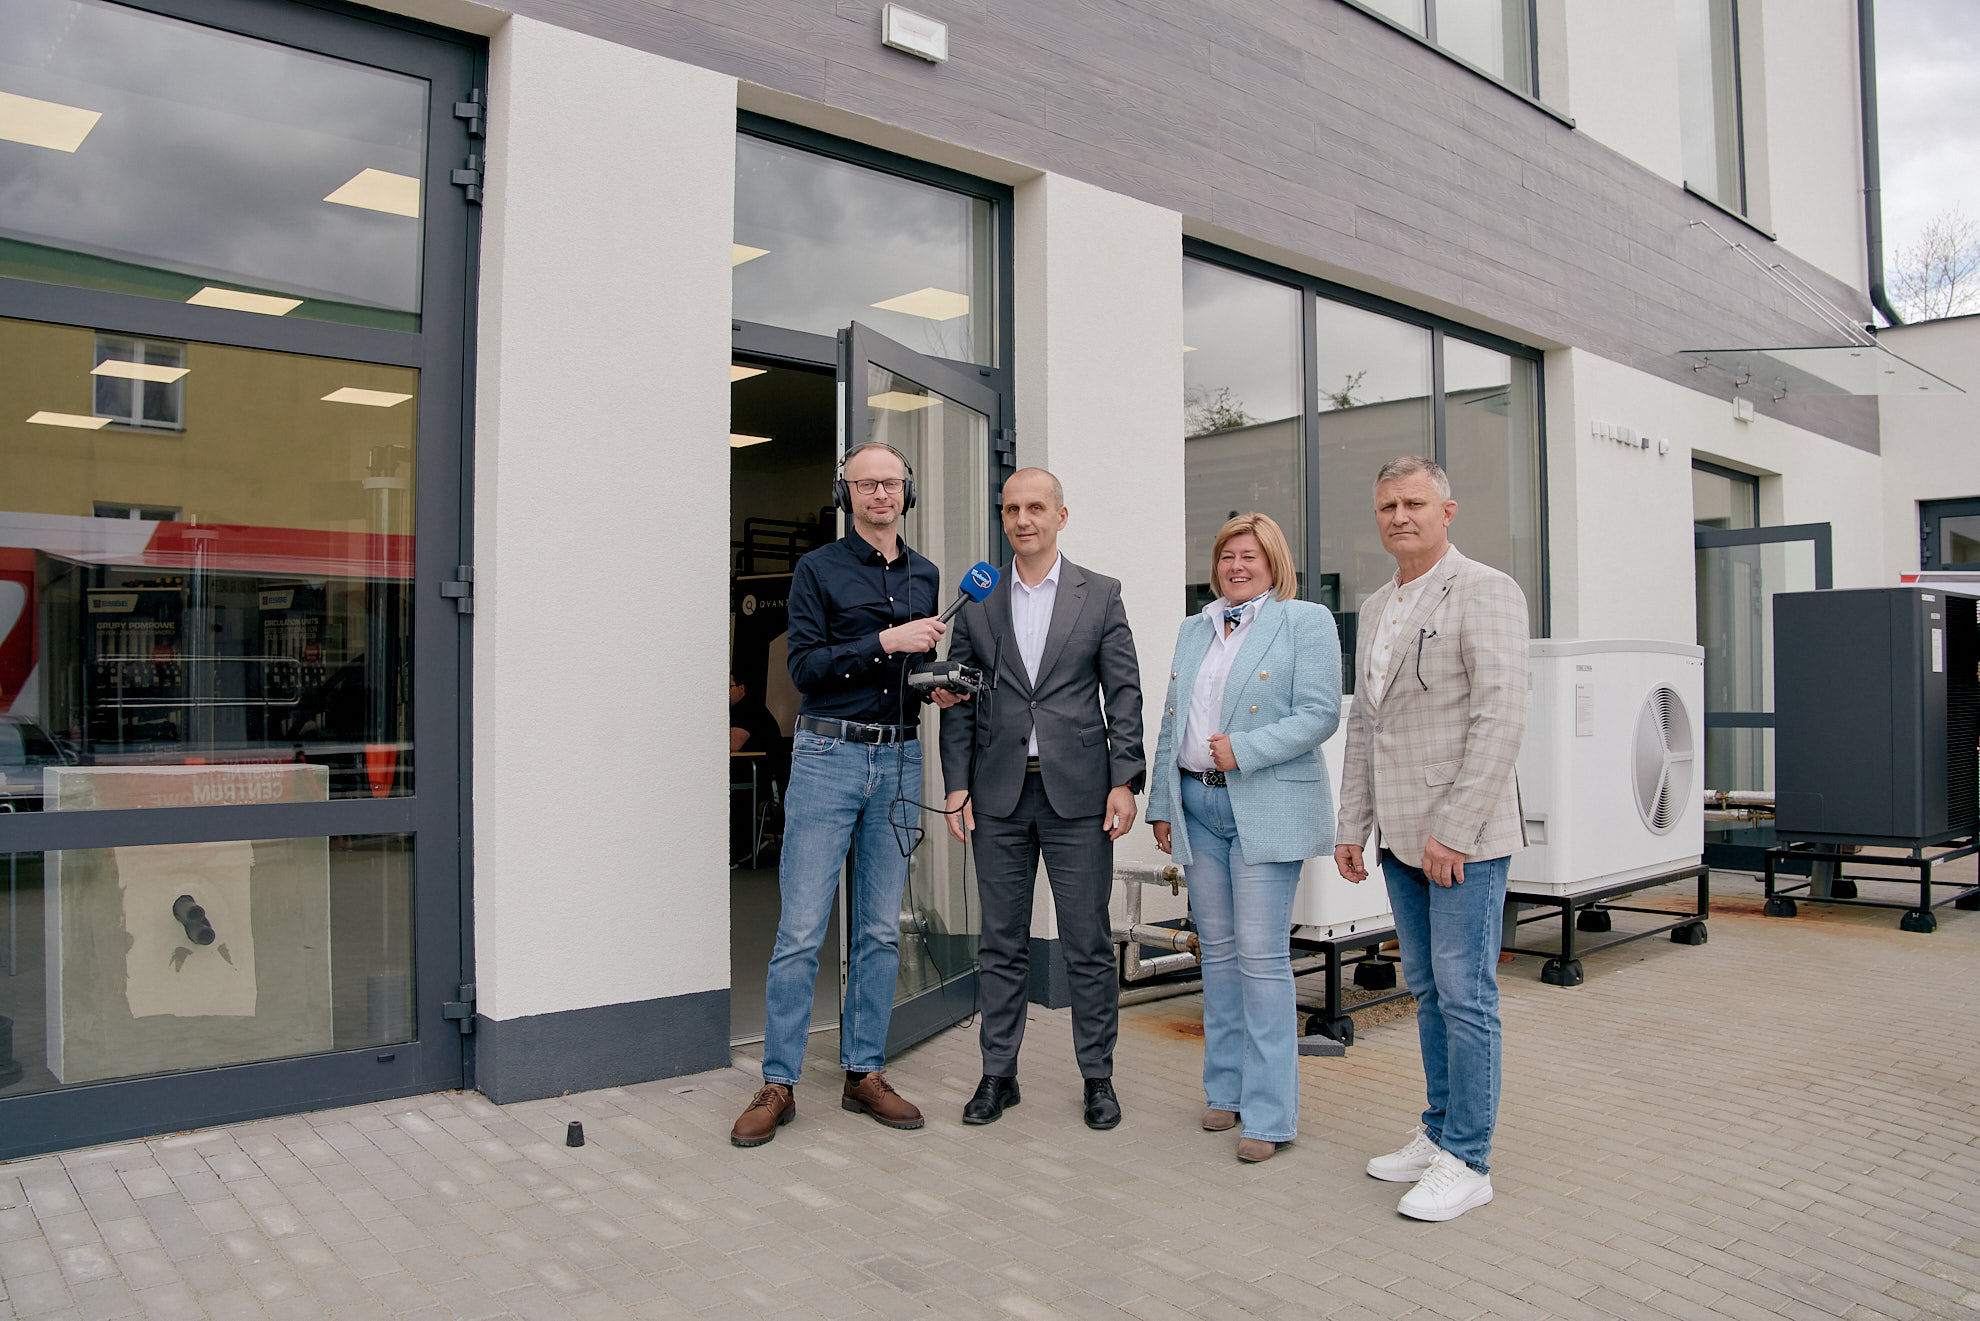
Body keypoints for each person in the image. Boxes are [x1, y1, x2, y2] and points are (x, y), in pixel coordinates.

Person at [730, 441, 964, 1148]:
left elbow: (912, 668)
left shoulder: (926, 573)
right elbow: (805, 669)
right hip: (828, 755)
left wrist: (935, 683)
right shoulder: (817, 569)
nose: (880, 494)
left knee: (879, 929)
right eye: (866, 485)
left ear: (906, 491)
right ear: (847, 494)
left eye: (890, 483)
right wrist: (886, 641)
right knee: (802, 929)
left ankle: (864, 1072)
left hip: (898, 757)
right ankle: (778, 1081)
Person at [1334, 455, 1529, 1221]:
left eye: (1414, 503)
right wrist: (1352, 824)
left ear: (1447, 512)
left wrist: (1455, 830)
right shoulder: (1378, 604)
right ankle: (1440, 1128)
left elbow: (1500, 716)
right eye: (1388, 505)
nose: (1399, 516)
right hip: (1399, 839)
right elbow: (1366, 723)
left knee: (1466, 994)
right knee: (1426, 989)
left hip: (1462, 841)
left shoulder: (1486, 589)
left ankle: (1470, 1159)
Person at [938, 468, 1145, 1130]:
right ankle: (998, 1074)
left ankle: (1098, 1077)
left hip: (1078, 796)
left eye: (1035, 507)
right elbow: (959, 702)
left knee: (1086, 941)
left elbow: (1124, 693)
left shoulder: (1100, 594)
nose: (1022, 519)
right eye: (1011, 509)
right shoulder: (978, 599)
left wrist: (1124, 778)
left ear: (1061, 515)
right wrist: (957, 784)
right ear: (1002, 518)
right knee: (1000, 943)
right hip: (997, 795)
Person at [1145, 512, 1341, 1164]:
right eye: (1227, 556)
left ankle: (1270, 1113)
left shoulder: (1304, 621)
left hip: (1264, 805)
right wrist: (1162, 803)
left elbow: (1321, 713)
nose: (1236, 566)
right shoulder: (1194, 627)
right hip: (1196, 805)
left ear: (1272, 562)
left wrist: (1245, 750)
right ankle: (1225, 1089)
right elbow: (1174, 720)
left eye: (1249, 556)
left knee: (1260, 960)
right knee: (1220, 956)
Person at [728, 673, 782, 754]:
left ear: (741, 688)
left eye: (729, 687)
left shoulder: (749, 708)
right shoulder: (739, 707)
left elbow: (731, 745)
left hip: (766, 760)